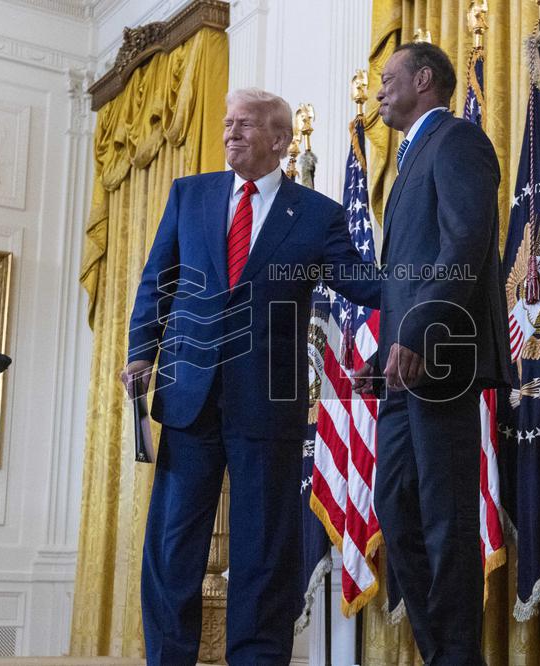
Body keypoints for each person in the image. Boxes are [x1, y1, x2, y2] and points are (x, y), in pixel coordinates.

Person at [119, 87, 380, 665]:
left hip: (267, 405)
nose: (230, 133)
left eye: (245, 125)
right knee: (172, 547)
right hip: (188, 396)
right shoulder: (191, 195)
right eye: (227, 122)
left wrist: (430, 279)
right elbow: (156, 281)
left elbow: (364, 285)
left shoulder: (316, 215)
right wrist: (142, 352)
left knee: (264, 551)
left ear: (281, 141)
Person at [352, 42, 512, 664]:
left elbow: (466, 245)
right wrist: (384, 351)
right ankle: (441, 651)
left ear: (424, 80)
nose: (378, 91)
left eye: (387, 79)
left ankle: (458, 658)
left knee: (445, 518)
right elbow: (405, 271)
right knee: (395, 505)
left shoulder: (457, 142)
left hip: (442, 359)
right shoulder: (410, 157)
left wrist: (418, 334)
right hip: (404, 369)